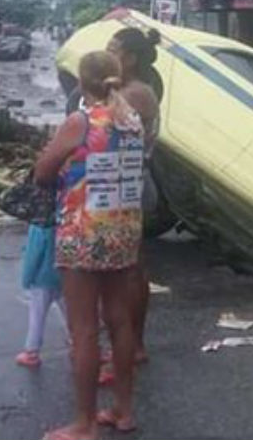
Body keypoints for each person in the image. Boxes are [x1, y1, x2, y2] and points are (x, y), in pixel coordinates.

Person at [36, 51, 145, 440]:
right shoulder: (132, 121)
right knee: (119, 320)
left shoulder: (80, 122)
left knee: (83, 329)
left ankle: (83, 424)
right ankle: (123, 410)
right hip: (123, 231)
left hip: (83, 233)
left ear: (82, 84)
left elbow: (43, 172)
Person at [105, 27, 161, 368]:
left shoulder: (135, 94)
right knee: (129, 268)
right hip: (124, 183)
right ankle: (127, 343)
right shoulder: (124, 90)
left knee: (130, 271)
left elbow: (105, 134)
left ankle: (133, 344)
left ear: (131, 58)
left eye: (114, 50)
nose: (108, 54)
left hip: (131, 185)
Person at [15, 217, 66, 368]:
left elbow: (33, 256)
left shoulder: (39, 226)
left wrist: (26, 279)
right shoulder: (64, 221)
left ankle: (31, 351)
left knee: (37, 316)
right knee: (69, 311)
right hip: (63, 276)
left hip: (41, 279)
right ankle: (77, 341)